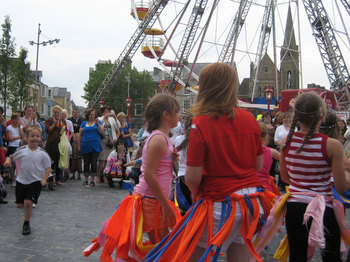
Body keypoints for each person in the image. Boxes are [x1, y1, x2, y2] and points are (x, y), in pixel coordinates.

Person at [146, 63, 275, 262]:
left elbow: (193, 176)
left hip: (219, 202)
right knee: (240, 252)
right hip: (250, 201)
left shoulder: (201, 122)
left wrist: (198, 196)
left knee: (194, 254)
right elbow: (258, 166)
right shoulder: (250, 120)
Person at [83, 94, 182, 261]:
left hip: (155, 199)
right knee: (163, 246)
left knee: (163, 245)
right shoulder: (158, 139)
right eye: (177, 112)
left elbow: (156, 170)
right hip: (152, 200)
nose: (179, 116)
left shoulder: (163, 138)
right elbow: (149, 175)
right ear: (166, 114)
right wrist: (165, 203)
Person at [262, 92, 350, 261]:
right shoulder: (332, 145)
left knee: (297, 255)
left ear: (296, 115)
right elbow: (341, 186)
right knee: (331, 256)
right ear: (322, 115)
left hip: (295, 207)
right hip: (324, 207)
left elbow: (286, 178)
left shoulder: (287, 142)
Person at [4, 126, 51, 235]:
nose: (35, 138)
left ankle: (26, 223)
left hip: (35, 181)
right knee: (20, 204)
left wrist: (44, 179)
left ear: (40, 138)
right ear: (27, 137)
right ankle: (25, 211)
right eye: (32, 136)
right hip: (21, 181)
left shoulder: (43, 153)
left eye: (37, 136)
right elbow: (11, 156)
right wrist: (8, 161)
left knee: (28, 202)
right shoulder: (22, 150)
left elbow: (48, 167)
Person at [173, 113, 193, 215]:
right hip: (194, 176)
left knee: (183, 210)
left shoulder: (178, 139)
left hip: (182, 175)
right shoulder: (197, 139)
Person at [79, 108, 104, 187]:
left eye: (93, 115)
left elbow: (101, 131)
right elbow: (80, 134)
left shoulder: (98, 122)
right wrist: (79, 145)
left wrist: (97, 123)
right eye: (90, 115)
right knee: (86, 162)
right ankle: (86, 179)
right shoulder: (83, 123)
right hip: (85, 145)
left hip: (95, 145)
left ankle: (92, 180)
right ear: (88, 115)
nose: (92, 116)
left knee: (94, 162)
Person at [96, 106, 120, 183]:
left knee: (109, 160)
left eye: (108, 111)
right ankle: (98, 176)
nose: (107, 113)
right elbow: (98, 126)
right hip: (103, 140)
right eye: (105, 112)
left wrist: (115, 118)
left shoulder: (112, 119)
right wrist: (104, 118)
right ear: (102, 113)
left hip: (110, 140)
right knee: (101, 159)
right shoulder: (100, 119)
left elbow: (118, 126)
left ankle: (106, 175)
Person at [257, 122, 280, 195]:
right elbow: (285, 160)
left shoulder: (245, 151)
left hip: (249, 186)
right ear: (266, 137)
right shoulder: (271, 151)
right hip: (266, 188)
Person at [45, 105, 64, 186]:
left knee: (58, 161)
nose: (56, 114)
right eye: (55, 112)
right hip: (51, 143)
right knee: (49, 161)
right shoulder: (50, 120)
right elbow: (47, 130)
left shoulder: (61, 121)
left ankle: (57, 179)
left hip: (58, 143)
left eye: (58, 113)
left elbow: (62, 131)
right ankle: (48, 178)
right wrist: (54, 124)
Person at [6, 113, 24, 187]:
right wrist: (17, 137)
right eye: (15, 119)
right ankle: (13, 178)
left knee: (19, 163)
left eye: (18, 119)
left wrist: (20, 128)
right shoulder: (9, 128)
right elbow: (9, 138)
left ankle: (18, 178)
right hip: (12, 146)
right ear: (12, 120)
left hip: (19, 145)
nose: (17, 121)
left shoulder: (20, 127)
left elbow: (22, 136)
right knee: (12, 163)